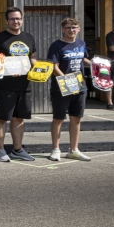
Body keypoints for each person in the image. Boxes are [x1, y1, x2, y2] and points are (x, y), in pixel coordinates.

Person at [0, 7, 37, 162]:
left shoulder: (29, 37)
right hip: (4, 86)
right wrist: (6, 68)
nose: (16, 21)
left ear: (22, 19)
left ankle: (17, 149)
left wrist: (38, 67)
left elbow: (33, 57)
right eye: (13, 19)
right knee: (1, 118)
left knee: (19, 118)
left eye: (18, 18)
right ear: (7, 21)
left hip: (24, 85)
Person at [47, 18, 92, 162]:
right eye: (68, 28)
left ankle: (74, 150)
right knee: (58, 118)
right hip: (62, 86)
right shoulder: (56, 45)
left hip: (80, 85)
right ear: (63, 29)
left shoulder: (81, 43)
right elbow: (54, 67)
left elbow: (83, 59)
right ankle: (55, 150)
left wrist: (96, 65)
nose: (71, 30)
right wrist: (69, 83)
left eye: (74, 27)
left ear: (78, 29)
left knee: (76, 118)